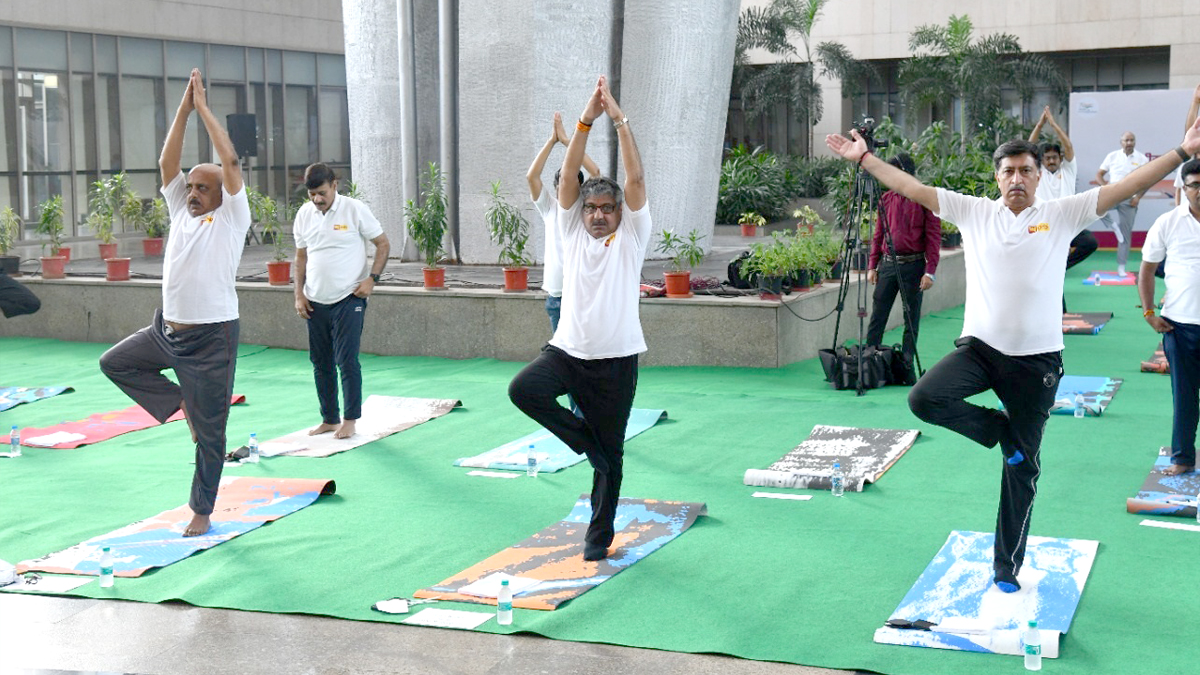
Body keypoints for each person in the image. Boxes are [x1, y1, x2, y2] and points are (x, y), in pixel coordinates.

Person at [826, 113, 1200, 593]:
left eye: (1026, 171)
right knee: (924, 399)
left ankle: (1005, 566)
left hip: (1037, 361)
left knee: (1021, 470)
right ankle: (1001, 432)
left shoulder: (1062, 213)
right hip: (980, 350)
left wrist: (1182, 152)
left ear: (1038, 177)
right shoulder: (974, 212)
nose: (1017, 179)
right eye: (1008, 172)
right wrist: (866, 160)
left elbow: (1126, 184)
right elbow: (912, 188)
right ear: (996, 177)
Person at [99, 69, 252, 538]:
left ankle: (201, 511)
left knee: (211, 435)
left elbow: (228, 159)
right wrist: (183, 110)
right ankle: (181, 401)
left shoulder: (231, 218)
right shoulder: (179, 212)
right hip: (165, 331)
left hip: (211, 338)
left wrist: (205, 110)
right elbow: (167, 163)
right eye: (190, 188)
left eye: (201, 188)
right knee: (116, 363)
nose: (192, 193)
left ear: (221, 193)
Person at [508, 76, 650, 562]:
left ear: (618, 214)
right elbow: (568, 177)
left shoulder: (632, 235)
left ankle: (597, 538)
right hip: (567, 352)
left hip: (616, 362)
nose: (597, 216)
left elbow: (635, 181)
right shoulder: (568, 227)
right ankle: (582, 439)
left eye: (606, 210)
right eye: (591, 209)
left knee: (610, 463)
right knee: (523, 390)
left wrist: (620, 121)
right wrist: (585, 121)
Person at [292, 163, 390, 440]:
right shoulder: (304, 214)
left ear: (335, 184)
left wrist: (372, 279)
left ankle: (350, 420)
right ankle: (329, 418)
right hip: (314, 301)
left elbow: (383, 243)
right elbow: (301, 257)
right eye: (312, 195)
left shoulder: (354, 209)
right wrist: (298, 293)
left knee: (346, 360)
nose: (317, 199)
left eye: (322, 192)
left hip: (349, 297)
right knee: (320, 362)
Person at [1138, 158, 1200, 476]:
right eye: (1195, 185)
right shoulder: (1168, 222)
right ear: (1184, 188)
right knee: (1185, 396)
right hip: (1180, 326)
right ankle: (1182, 458)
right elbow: (1147, 270)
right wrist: (1149, 312)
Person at [527, 111, 600, 335]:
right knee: (562, 358)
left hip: (582, 294)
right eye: (560, 185)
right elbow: (532, 177)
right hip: (557, 296)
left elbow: (595, 171)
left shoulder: (585, 208)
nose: (563, 189)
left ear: (580, 189)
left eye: (569, 185)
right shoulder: (550, 208)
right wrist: (552, 141)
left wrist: (569, 141)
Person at [865, 153, 940, 364]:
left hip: (914, 266)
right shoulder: (885, 199)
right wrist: (873, 266)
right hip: (888, 265)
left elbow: (933, 238)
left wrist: (930, 272)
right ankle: (871, 361)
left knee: (911, 319)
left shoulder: (925, 199)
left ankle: (907, 364)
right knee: (878, 316)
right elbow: (878, 234)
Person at [1028, 106, 1096, 310]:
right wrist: (1040, 124)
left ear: (1060, 159)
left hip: (1069, 225)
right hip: (1044, 226)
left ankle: (1058, 267)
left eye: (1054, 157)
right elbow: (1028, 146)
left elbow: (1068, 146)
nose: (1051, 161)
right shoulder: (1036, 172)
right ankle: (1059, 309)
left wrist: (1054, 125)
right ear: (1041, 160)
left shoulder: (1068, 170)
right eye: (1047, 158)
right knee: (1052, 273)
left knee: (1090, 242)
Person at [1096, 131, 1148, 277]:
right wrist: (1105, 187)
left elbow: (1147, 181)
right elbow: (1099, 174)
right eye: (1126, 140)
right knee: (1095, 207)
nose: (1129, 143)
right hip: (1113, 193)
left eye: (1132, 140)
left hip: (1130, 199)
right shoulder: (1112, 156)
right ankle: (1112, 225)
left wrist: (1138, 197)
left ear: (1135, 142)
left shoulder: (1142, 159)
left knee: (1125, 235)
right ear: (1121, 142)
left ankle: (1121, 266)